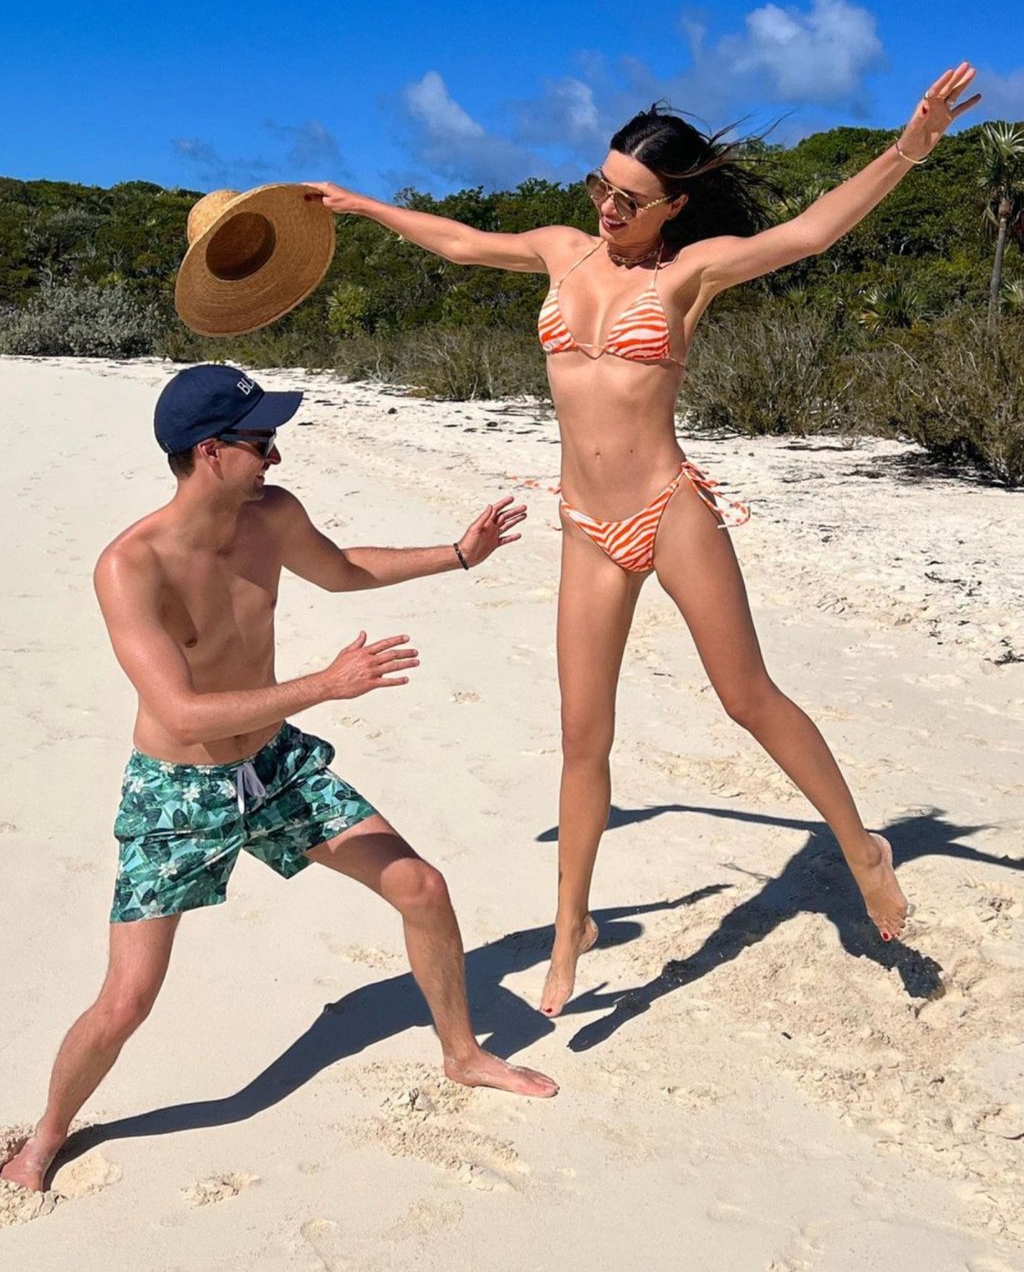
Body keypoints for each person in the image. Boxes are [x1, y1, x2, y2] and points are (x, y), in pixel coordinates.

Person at [305, 63, 981, 1019]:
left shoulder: (690, 272)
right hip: (585, 523)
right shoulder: (559, 250)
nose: (608, 207)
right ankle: (570, 926)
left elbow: (812, 231)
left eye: (628, 198)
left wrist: (909, 148)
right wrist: (360, 203)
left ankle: (862, 847)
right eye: (600, 186)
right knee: (584, 738)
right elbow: (457, 245)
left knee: (747, 696)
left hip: (667, 509)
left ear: (676, 205)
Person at [1, 364, 556, 1194]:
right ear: (211, 451)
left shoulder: (272, 515)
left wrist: (457, 554)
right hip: (178, 793)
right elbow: (183, 713)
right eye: (262, 442)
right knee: (127, 999)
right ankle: (46, 1136)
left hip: (275, 765)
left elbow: (340, 570)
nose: (277, 456)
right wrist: (325, 686)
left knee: (422, 887)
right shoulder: (130, 565)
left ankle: (463, 1053)